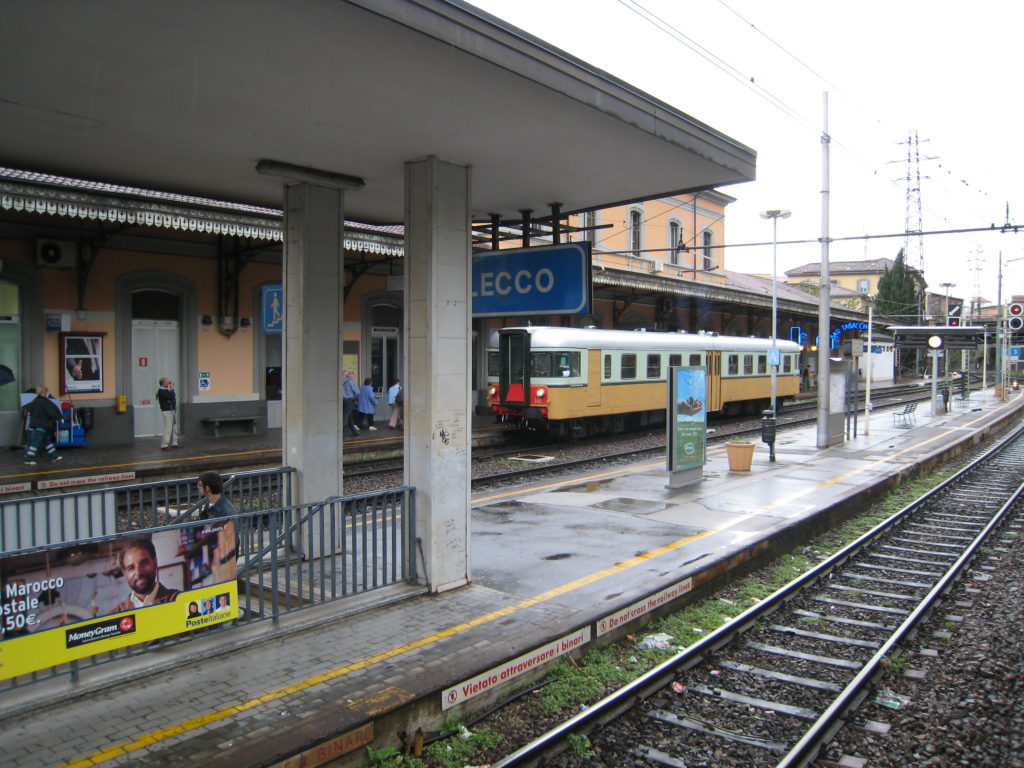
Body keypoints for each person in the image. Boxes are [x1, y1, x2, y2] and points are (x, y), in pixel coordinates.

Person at [115, 537, 181, 611]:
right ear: (124, 574)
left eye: (144, 563)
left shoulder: (180, 600)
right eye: (131, 568)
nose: (138, 572)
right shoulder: (115, 614)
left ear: (155, 563)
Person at [23, 385, 63, 465]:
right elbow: (52, 412)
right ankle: (28, 459)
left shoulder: (35, 401)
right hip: (44, 425)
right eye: (46, 392)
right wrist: (60, 418)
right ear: (44, 392)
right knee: (36, 442)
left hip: (38, 425)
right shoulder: (45, 402)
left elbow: (30, 410)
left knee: (47, 441)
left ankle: (55, 456)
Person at [157, 377, 180, 449]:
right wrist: (172, 389)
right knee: (168, 428)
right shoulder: (161, 391)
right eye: (167, 382)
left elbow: (173, 399)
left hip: (171, 410)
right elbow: (171, 397)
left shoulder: (166, 390)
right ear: (163, 383)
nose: (169, 383)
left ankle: (174, 443)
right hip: (167, 411)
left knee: (174, 427)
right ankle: (164, 444)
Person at [342, 370, 360, 437]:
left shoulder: (342, 382)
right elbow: (357, 392)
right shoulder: (351, 382)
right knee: (345, 416)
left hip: (342, 400)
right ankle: (339, 432)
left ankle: (354, 431)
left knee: (349, 416)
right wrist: (355, 396)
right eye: (354, 376)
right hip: (349, 400)